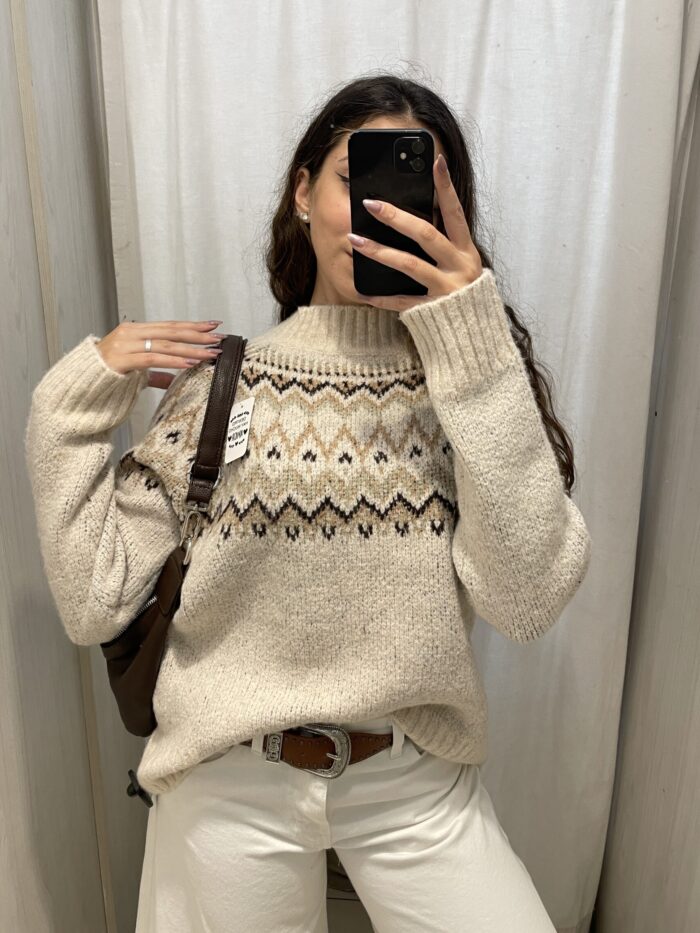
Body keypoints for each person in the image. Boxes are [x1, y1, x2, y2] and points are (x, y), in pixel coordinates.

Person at [25, 75, 592, 932]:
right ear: (302, 194)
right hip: (229, 785)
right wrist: (70, 408)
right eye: (353, 182)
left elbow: (528, 600)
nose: (380, 214)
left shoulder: (469, 392)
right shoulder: (221, 388)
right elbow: (94, 598)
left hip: (414, 784)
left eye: (414, 193)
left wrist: (473, 345)